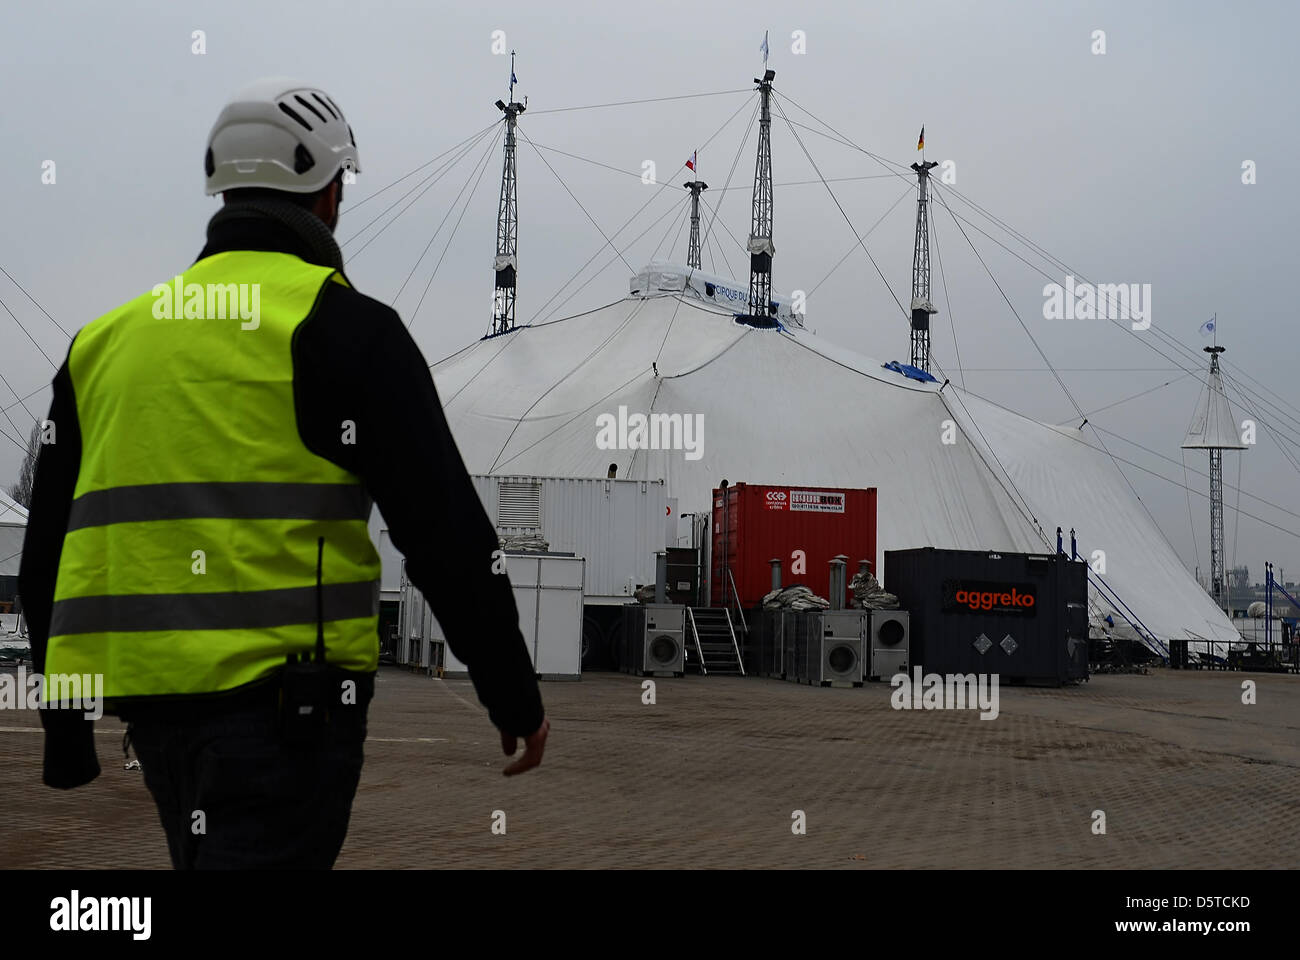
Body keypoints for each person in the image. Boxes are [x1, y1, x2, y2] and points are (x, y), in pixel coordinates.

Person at [18, 78, 548, 869]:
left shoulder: (104, 344)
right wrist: (512, 695)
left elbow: (47, 554)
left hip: (156, 718)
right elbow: (444, 533)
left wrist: (65, 729)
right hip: (291, 716)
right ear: (329, 192)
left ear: (223, 189)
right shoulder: (345, 330)